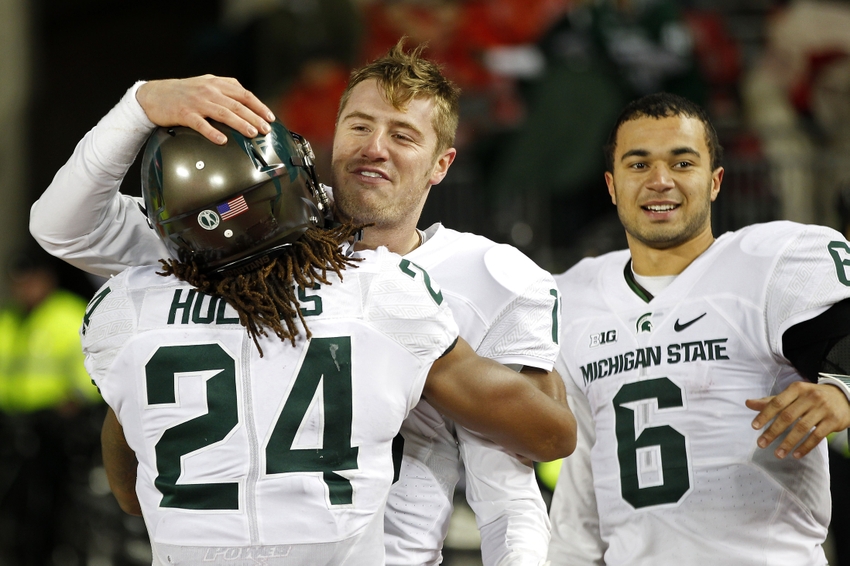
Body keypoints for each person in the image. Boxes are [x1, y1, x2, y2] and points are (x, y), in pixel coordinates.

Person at [31, 41, 565, 565]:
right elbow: (62, 229)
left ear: (441, 163)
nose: (374, 146)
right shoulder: (246, 229)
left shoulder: (493, 278)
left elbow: (508, 489)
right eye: (359, 125)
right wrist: (140, 105)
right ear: (328, 138)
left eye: (402, 134)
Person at [546, 92, 850, 565]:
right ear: (611, 184)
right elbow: (584, 470)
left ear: (715, 181)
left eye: (682, 162)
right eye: (638, 165)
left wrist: (842, 392)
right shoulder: (573, 295)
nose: (660, 181)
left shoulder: (770, 263)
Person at [0, 250, 103, 565]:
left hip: (55, 431)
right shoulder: (9, 321)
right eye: (19, 283)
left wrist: (70, 404)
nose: (25, 289)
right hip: (12, 428)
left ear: (47, 279)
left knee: (51, 506)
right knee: (15, 509)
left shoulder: (69, 315)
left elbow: (93, 376)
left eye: (31, 281)